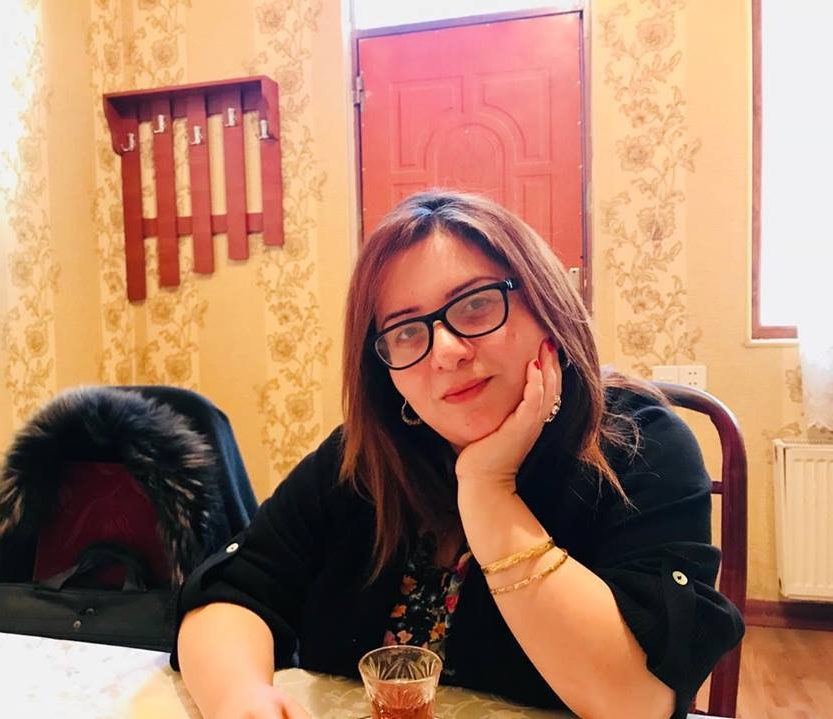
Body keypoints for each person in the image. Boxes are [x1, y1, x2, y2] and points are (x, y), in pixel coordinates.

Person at [172, 191, 745, 719]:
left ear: (545, 306)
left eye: (474, 305)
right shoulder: (366, 458)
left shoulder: (639, 444)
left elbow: (636, 700)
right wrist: (240, 697)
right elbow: (234, 591)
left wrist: (489, 489)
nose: (445, 351)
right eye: (405, 331)